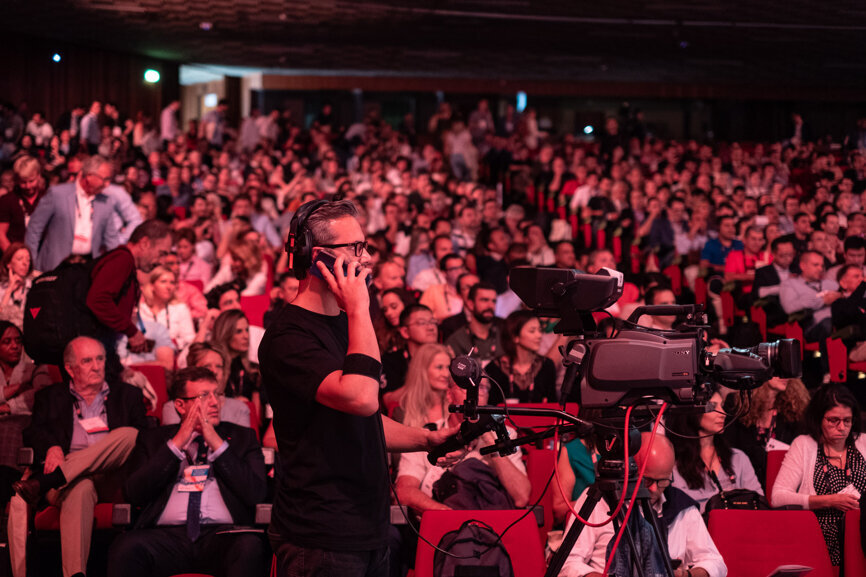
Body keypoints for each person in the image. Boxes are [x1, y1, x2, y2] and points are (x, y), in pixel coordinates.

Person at [259, 200, 457, 576]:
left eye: (364, 246)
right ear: (317, 257)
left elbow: (363, 420)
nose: (366, 258)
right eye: (355, 248)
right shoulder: (289, 336)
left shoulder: (346, 324)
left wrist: (425, 440)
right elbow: (362, 397)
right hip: (319, 536)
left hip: (368, 527)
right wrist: (360, 308)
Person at [8, 337, 147, 577]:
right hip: (67, 482)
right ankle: (75, 574)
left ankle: (43, 483)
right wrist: (52, 446)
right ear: (70, 369)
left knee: (130, 434)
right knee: (81, 488)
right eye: (87, 361)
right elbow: (32, 432)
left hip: (111, 478)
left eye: (100, 359)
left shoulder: (128, 395)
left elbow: (146, 438)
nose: (96, 366)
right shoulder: (50, 397)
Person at [107, 367, 266, 577]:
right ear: (181, 405)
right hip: (165, 538)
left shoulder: (242, 438)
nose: (214, 402)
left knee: (249, 546)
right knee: (127, 546)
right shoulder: (153, 439)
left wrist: (217, 445)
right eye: (203, 396)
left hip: (223, 536)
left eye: (216, 394)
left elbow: (256, 493)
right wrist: (176, 445)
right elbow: (134, 492)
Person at [560, 432, 727, 577]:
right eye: (646, 480)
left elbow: (715, 563)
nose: (653, 489)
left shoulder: (681, 506)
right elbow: (567, 562)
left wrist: (688, 575)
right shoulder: (597, 500)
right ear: (630, 470)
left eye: (662, 480)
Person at [395, 368, 530, 512]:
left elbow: (521, 497)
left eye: (482, 387)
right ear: (449, 395)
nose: (476, 393)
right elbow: (404, 491)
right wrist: (447, 515)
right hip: (440, 524)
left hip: (490, 526)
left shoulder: (505, 435)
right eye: (467, 387)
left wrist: (489, 439)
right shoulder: (427, 436)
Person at [771, 385, 866, 566]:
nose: (841, 427)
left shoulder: (863, 441)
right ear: (818, 418)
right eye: (833, 420)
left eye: (847, 420)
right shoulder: (804, 445)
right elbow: (778, 497)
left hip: (862, 534)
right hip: (819, 538)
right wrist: (829, 500)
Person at [86, 219, 173, 379]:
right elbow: (98, 300)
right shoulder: (122, 260)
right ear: (145, 243)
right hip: (91, 350)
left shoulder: (124, 263)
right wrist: (131, 331)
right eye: (162, 254)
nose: (162, 262)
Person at [667, 391, 764, 513]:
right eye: (712, 406)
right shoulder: (673, 463)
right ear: (692, 411)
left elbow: (759, 503)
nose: (722, 413)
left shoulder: (738, 458)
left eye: (722, 406)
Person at [25, 154, 121, 272]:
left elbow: (112, 240)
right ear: (89, 176)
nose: (107, 185)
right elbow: (35, 229)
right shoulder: (57, 194)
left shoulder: (105, 202)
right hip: (54, 267)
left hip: (87, 268)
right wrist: (31, 265)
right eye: (104, 179)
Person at [723, 377, 810, 491]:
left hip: (782, 488)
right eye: (777, 370)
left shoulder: (795, 412)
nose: (784, 376)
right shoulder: (737, 405)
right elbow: (728, 449)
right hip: (745, 488)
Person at [484, 310, 557, 405]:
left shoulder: (547, 365)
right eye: (532, 331)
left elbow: (553, 405)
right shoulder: (494, 368)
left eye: (540, 330)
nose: (539, 335)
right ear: (515, 336)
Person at [210, 309, 261, 424]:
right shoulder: (215, 367)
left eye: (246, 330)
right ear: (226, 334)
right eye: (238, 331)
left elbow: (257, 418)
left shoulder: (252, 369)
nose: (245, 336)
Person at [780, 250, 841, 343]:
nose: (820, 269)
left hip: (838, 322)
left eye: (822, 265)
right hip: (812, 326)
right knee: (828, 323)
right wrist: (822, 301)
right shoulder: (790, 284)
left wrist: (841, 296)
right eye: (816, 265)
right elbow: (789, 307)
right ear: (803, 266)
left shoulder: (831, 284)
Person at [138, 265, 196, 354]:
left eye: (172, 282)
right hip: (145, 355)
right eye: (163, 281)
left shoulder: (180, 309)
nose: (169, 287)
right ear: (152, 286)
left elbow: (190, 339)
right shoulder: (141, 310)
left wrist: (171, 344)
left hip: (175, 355)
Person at [445, 281, 503, 364]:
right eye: (484, 300)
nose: (490, 305)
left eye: (494, 301)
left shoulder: (504, 335)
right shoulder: (456, 341)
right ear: (470, 304)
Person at [0, 244, 35, 328]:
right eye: (20, 259)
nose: (25, 263)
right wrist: (9, 289)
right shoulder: (1, 288)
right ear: (9, 264)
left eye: (28, 260)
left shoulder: (34, 287)